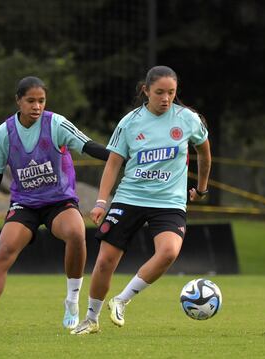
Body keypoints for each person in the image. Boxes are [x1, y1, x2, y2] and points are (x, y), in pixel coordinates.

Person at [0, 76, 109, 332]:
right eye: (30, 101)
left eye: (41, 100)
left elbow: (89, 146)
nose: (37, 106)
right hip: (24, 205)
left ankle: (72, 300)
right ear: (18, 101)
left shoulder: (57, 124)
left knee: (76, 233)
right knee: (5, 249)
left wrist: (119, 157)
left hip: (59, 202)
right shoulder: (4, 133)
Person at [71, 65, 211, 335]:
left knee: (169, 251)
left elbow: (204, 153)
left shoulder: (188, 119)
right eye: (159, 92)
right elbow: (113, 164)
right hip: (130, 198)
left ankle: (122, 300)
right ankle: (91, 319)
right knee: (105, 262)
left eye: (171, 92)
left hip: (169, 201)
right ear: (146, 90)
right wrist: (101, 202)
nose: (166, 99)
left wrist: (201, 188)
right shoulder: (130, 122)